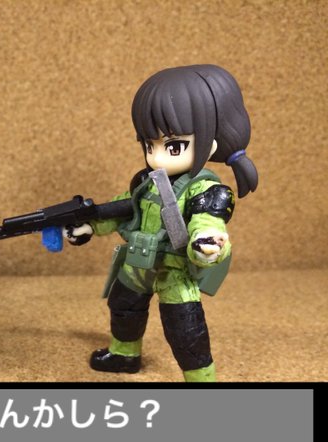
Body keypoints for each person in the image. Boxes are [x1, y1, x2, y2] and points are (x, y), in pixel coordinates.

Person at [67, 64, 258, 382]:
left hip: (175, 270)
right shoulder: (146, 182)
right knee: (123, 308)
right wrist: (90, 226)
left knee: (185, 329)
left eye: (173, 146)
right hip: (138, 263)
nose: (156, 157)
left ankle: (201, 380)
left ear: (210, 143)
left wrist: (208, 243)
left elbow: (208, 222)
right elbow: (123, 209)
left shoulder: (205, 189)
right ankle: (124, 355)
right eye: (148, 145)